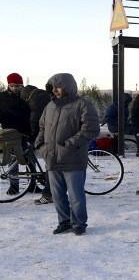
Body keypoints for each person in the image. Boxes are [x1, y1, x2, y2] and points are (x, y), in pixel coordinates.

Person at [35, 73, 99, 235]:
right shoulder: (50, 106)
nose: (55, 90)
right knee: (57, 195)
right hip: (52, 159)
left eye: (58, 86)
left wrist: (69, 144)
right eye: (53, 87)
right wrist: (40, 144)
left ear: (68, 86)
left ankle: (79, 223)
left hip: (73, 158)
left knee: (76, 195)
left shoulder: (82, 105)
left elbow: (90, 129)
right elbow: (42, 127)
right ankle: (64, 222)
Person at [20, 78, 54, 204]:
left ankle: (48, 193)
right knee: (51, 165)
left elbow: (35, 120)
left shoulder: (35, 100)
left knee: (51, 165)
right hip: (50, 135)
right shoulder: (42, 96)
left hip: (46, 136)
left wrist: (33, 136)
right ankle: (48, 191)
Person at [0, 73, 32, 197]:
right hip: (10, 132)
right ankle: (14, 187)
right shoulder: (2, 97)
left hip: (25, 131)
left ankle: (33, 185)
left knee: (30, 159)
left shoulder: (25, 97)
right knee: (12, 159)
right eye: (12, 85)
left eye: (18, 86)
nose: (15, 88)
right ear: (8, 85)